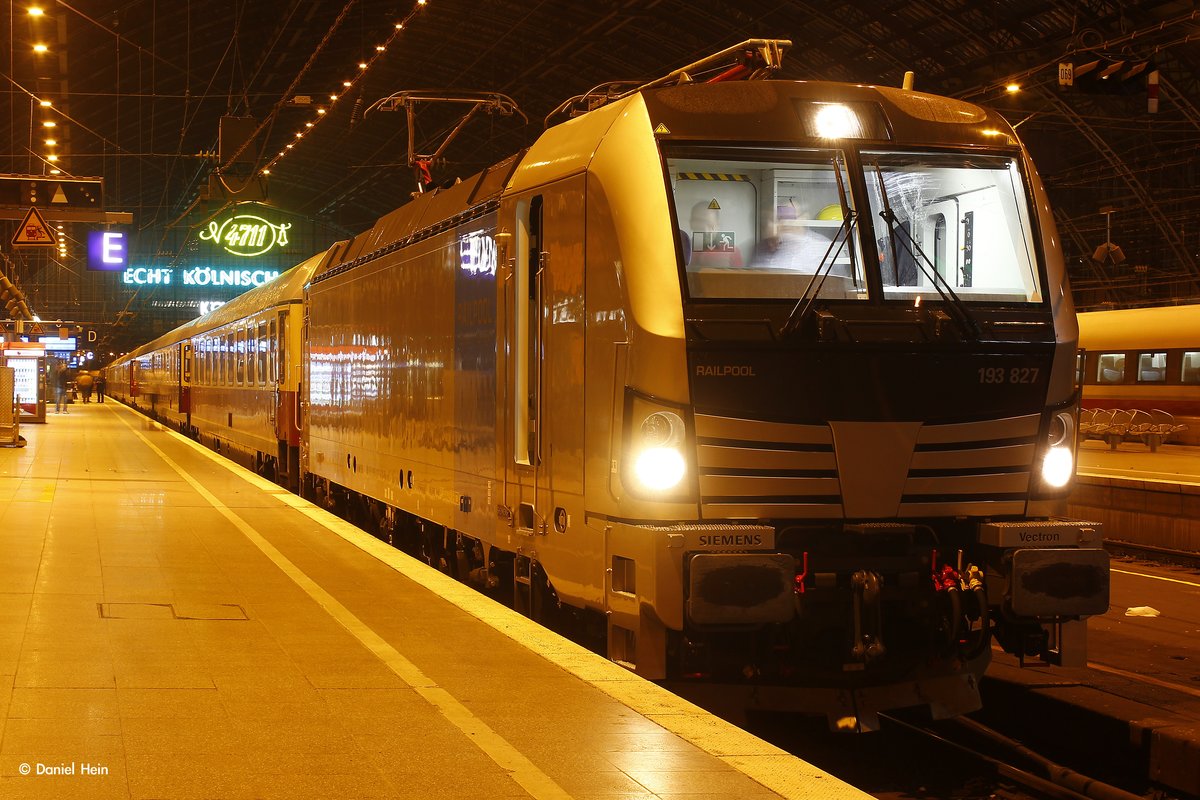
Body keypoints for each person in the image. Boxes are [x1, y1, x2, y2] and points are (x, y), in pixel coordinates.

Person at [686, 200, 744, 268]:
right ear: (691, 224)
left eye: (711, 226)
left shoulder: (733, 252)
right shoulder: (681, 249)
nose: (706, 231)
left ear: (718, 226)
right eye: (700, 225)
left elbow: (741, 277)